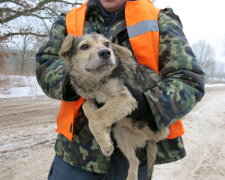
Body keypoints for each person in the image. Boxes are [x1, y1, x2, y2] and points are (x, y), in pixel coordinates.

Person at [35, 0, 205, 179]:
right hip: (75, 153)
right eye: (85, 47)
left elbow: (189, 80)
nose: (103, 51)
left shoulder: (160, 19)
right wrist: (79, 82)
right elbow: (45, 64)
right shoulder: (69, 20)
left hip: (133, 150)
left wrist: (145, 106)